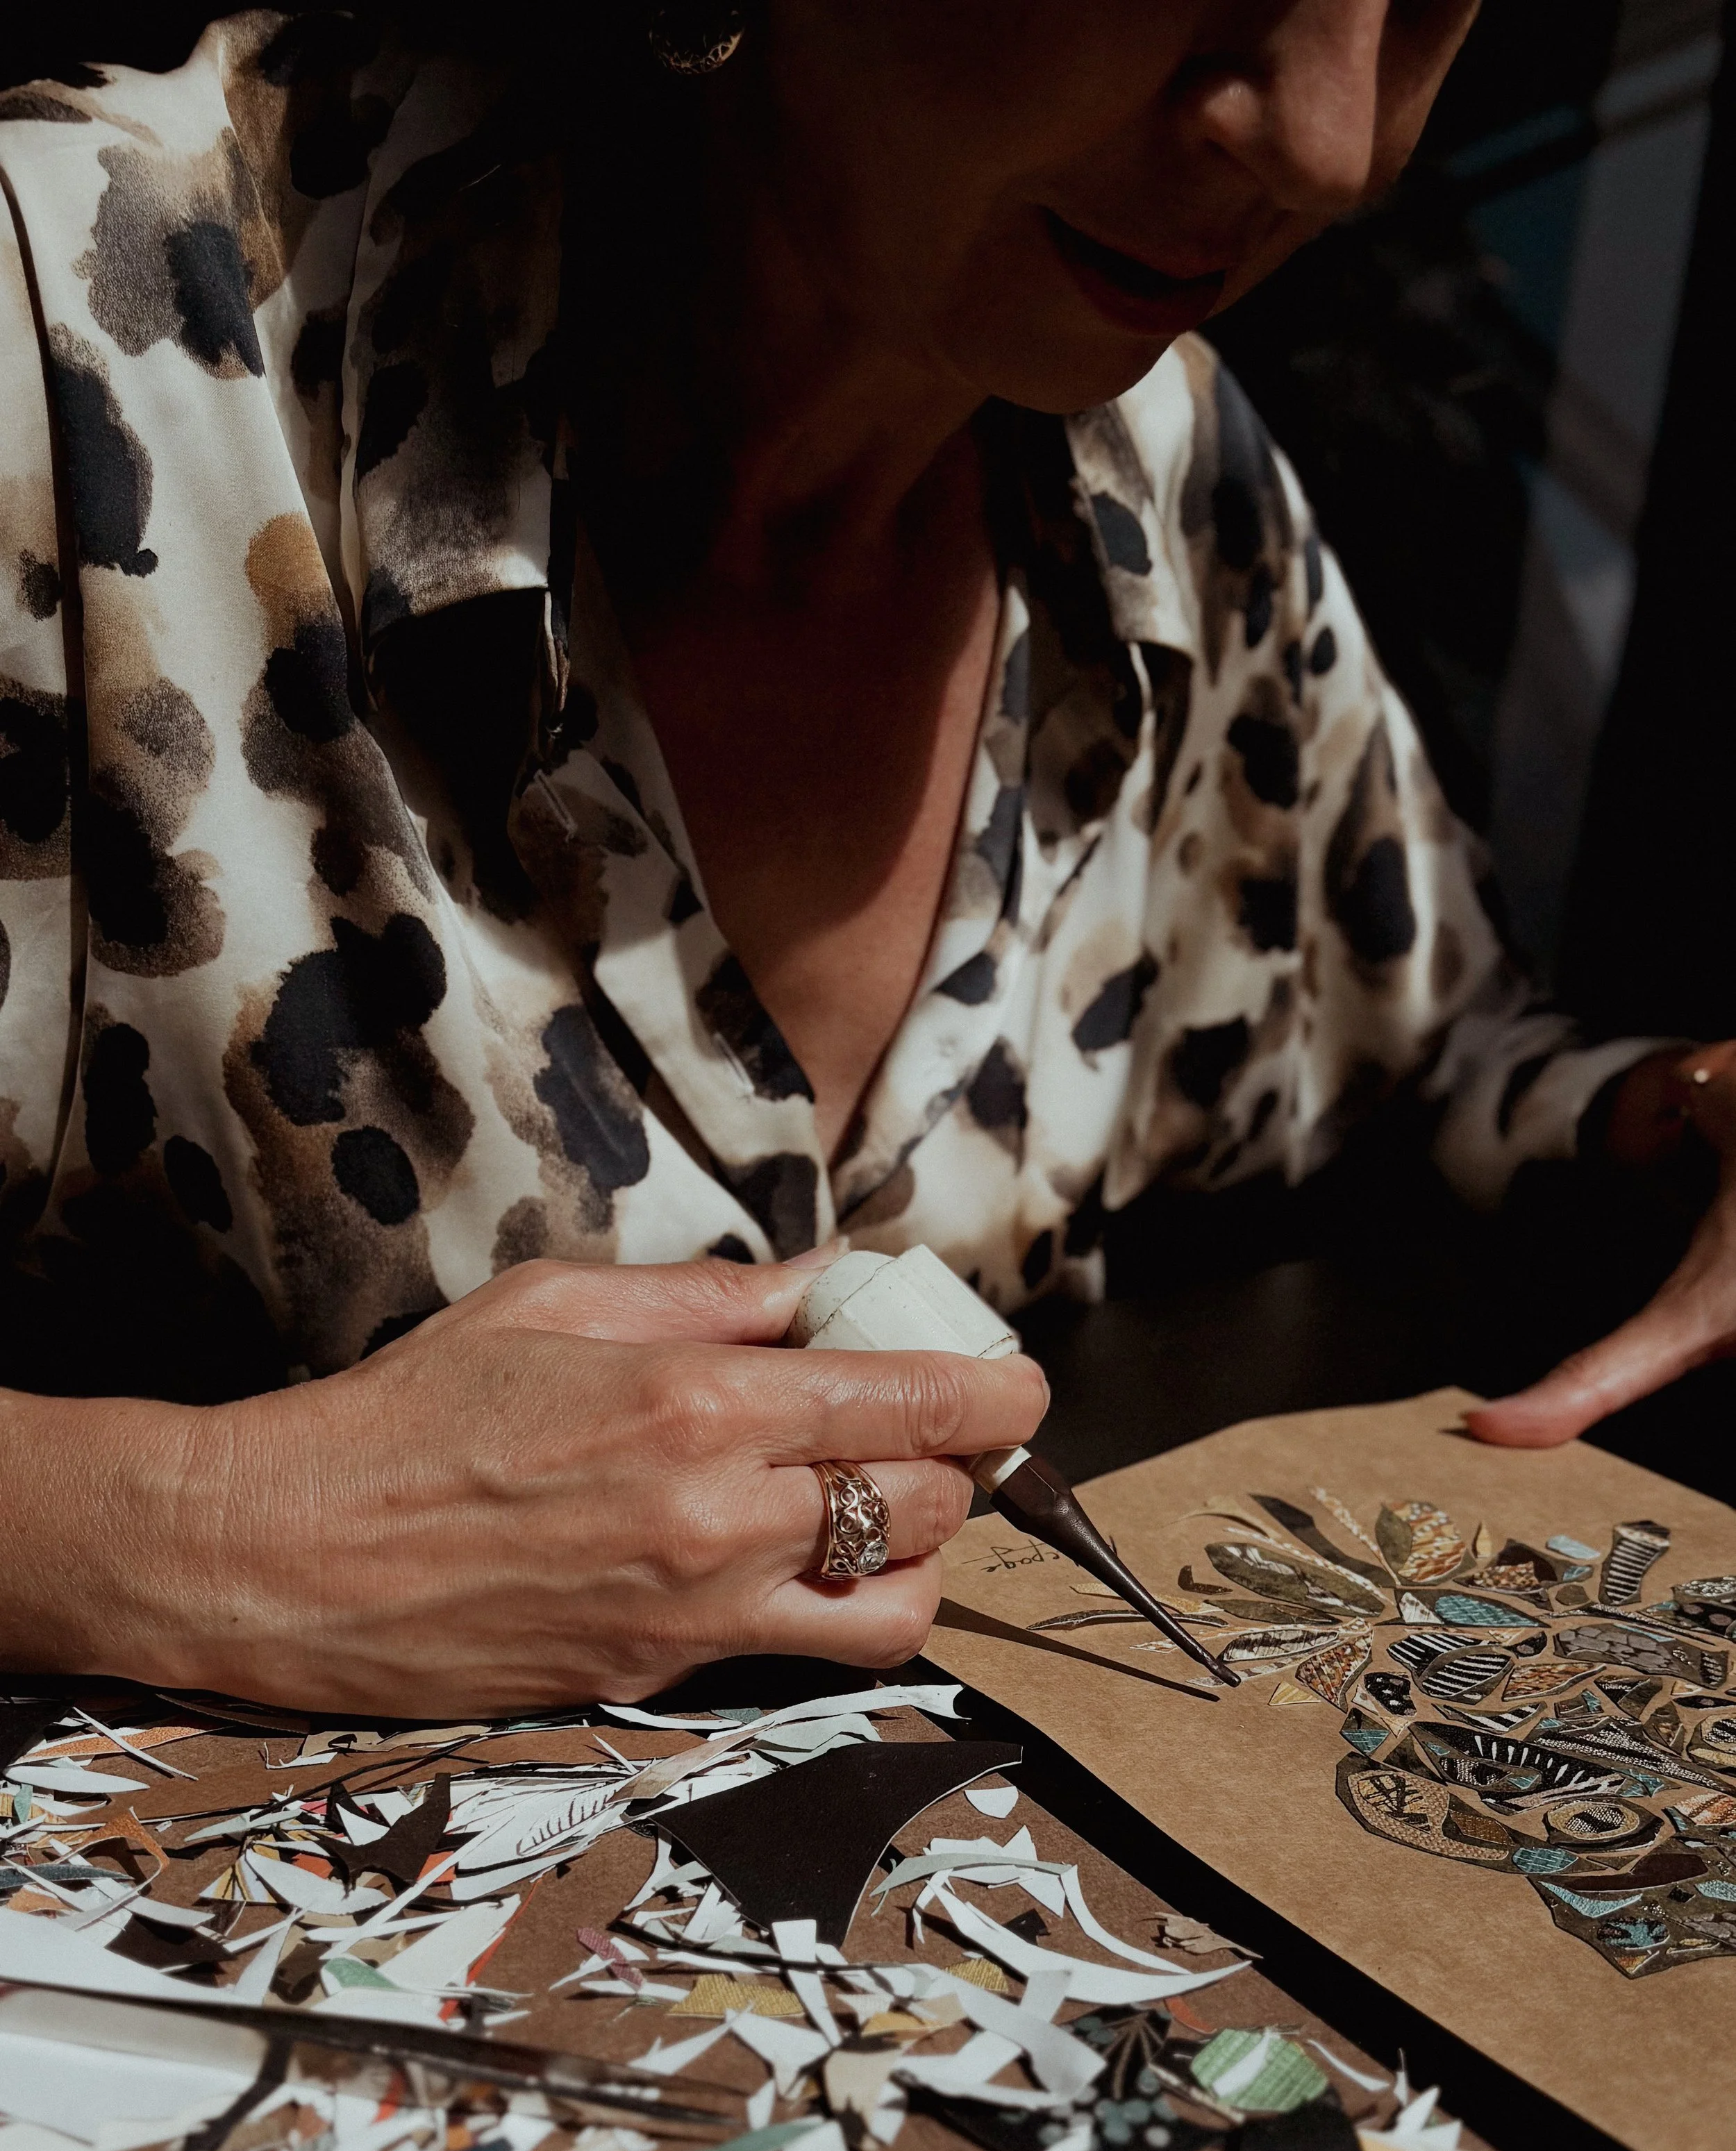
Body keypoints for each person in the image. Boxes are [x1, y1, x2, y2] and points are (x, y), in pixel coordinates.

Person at [1, 0, 1730, 1714]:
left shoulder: (1161, 473)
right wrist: (221, 1529)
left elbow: (1419, 1062)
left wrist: (1676, 1123)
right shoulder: (70, 337)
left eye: (1430, 0)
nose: (1326, 140)